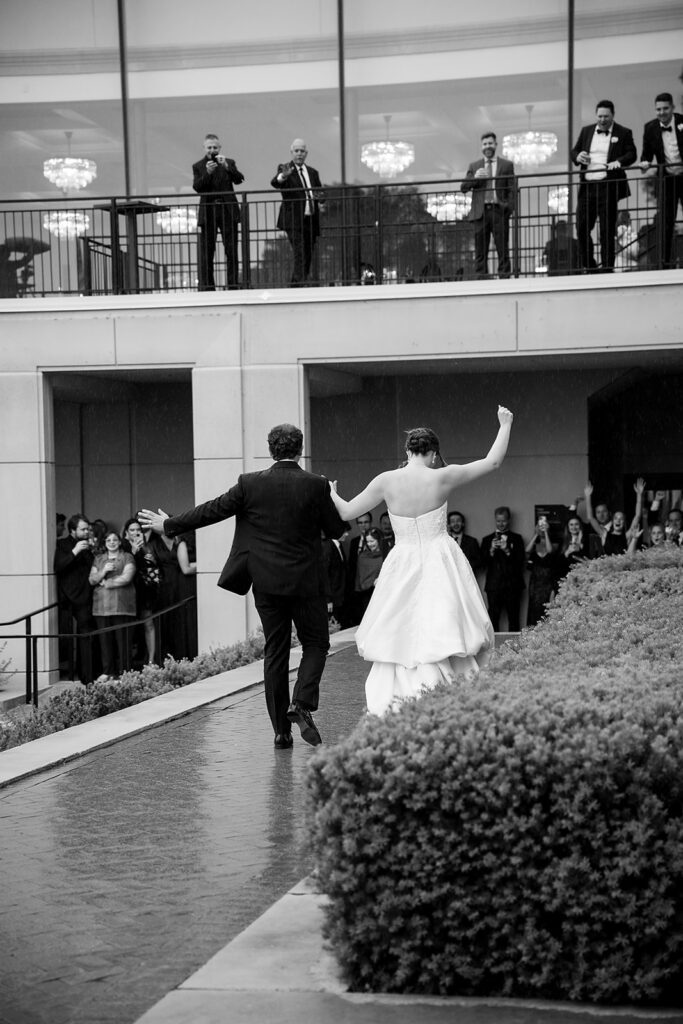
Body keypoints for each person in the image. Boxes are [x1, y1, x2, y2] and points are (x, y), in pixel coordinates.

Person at [139, 423, 345, 748]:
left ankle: (281, 731)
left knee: (275, 652)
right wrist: (333, 496)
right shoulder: (315, 486)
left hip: (266, 583)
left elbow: (213, 510)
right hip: (306, 583)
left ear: (271, 449)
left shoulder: (250, 484)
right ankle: (301, 703)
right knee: (316, 645)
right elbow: (336, 530)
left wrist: (170, 524)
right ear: (300, 448)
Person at [329, 407, 513, 716]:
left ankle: (403, 693)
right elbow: (492, 461)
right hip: (440, 556)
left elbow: (347, 512)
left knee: (402, 624)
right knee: (443, 620)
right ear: (433, 453)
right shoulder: (442, 476)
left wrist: (332, 493)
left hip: (403, 558)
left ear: (407, 451)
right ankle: (445, 686)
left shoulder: (387, 480)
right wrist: (505, 425)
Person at [571, 100, 637, 273]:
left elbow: (632, 154)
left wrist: (619, 161)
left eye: (606, 116)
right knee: (581, 227)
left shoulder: (623, 132)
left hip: (608, 186)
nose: (602, 120)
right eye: (599, 116)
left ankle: (607, 267)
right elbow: (574, 151)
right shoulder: (586, 131)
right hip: (587, 187)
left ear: (612, 115)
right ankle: (590, 265)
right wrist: (578, 156)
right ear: (596, 115)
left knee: (607, 230)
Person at [192, 132, 245, 291]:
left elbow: (239, 179)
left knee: (232, 250)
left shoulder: (229, 162)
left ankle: (233, 285)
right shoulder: (198, 166)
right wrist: (207, 173)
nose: (212, 150)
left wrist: (227, 167)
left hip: (227, 210)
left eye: (215, 147)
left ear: (220, 148)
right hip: (208, 211)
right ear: (204, 148)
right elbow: (197, 187)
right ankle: (208, 287)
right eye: (209, 147)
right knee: (207, 251)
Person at [270, 139, 326, 286]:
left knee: (307, 254)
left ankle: (295, 285)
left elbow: (320, 193)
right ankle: (300, 285)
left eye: (302, 151)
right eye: (296, 151)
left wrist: (321, 197)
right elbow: (275, 182)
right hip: (293, 219)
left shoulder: (313, 172)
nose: (299, 154)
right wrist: (284, 176)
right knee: (300, 252)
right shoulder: (285, 168)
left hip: (310, 219)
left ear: (306, 153)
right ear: (291, 152)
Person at [461, 132, 516, 279]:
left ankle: (504, 277)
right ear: (481, 147)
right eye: (485, 144)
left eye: (490, 143)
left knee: (502, 247)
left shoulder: (506, 165)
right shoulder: (474, 166)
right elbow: (464, 187)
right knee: (481, 249)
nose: (488, 147)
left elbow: (512, 189)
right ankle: (482, 278)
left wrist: (508, 208)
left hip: (499, 210)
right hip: (481, 212)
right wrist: (474, 178)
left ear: (496, 145)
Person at [639, 92, 683, 269]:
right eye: (658, 109)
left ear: (672, 108)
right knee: (666, 221)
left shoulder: (682, 122)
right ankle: (665, 263)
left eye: (665, 108)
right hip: (667, 179)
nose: (662, 112)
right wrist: (644, 163)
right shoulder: (650, 128)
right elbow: (646, 154)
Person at [54, 513, 96, 685]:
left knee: (87, 636)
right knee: (70, 636)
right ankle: (74, 674)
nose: (86, 532)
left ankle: (87, 676)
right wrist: (75, 550)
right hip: (69, 597)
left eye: (88, 529)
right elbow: (59, 566)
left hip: (87, 596)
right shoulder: (62, 544)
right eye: (83, 529)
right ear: (73, 530)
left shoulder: (90, 546)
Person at [88, 531, 136, 677]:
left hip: (122, 606)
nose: (112, 542)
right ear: (105, 543)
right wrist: (104, 571)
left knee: (123, 643)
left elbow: (127, 577)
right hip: (101, 607)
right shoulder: (99, 559)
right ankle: (107, 672)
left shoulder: (127, 557)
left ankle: (125, 672)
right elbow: (92, 579)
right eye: (108, 540)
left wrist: (108, 583)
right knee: (105, 643)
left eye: (115, 540)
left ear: (120, 542)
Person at [480, 506, 525, 632]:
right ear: (495, 520)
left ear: (509, 520)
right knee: (493, 618)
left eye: (503, 521)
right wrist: (491, 550)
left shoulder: (517, 539)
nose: (501, 524)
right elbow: (482, 564)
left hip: (513, 586)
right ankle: (493, 650)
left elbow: (520, 562)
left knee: (514, 619)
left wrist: (507, 550)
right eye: (498, 521)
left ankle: (515, 650)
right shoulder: (486, 540)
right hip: (493, 586)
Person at [122, 517, 160, 665]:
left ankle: (151, 660)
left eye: (138, 530)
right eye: (132, 530)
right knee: (129, 627)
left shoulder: (148, 546)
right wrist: (133, 551)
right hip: (128, 590)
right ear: (126, 533)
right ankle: (127, 662)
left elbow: (153, 566)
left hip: (145, 589)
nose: (136, 532)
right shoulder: (123, 546)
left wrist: (144, 550)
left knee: (148, 623)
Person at [524, 516, 557, 627]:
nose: (542, 527)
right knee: (534, 610)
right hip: (535, 584)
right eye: (540, 525)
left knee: (546, 611)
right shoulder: (535, 545)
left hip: (547, 583)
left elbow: (549, 550)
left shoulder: (554, 544)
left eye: (544, 525)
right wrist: (537, 533)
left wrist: (546, 532)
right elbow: (527, 550)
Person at [353, 527, 385, 621]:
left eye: (372, 541)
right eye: (367, 542)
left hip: (382, 594)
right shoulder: (362, 556)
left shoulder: (386, 555)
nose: (370, 544)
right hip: (366, 595)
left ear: (379, 540)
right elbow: (360, 579)